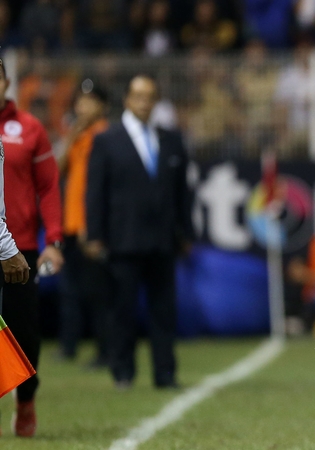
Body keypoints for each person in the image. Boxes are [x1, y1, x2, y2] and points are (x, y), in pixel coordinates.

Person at [85, 74, 193, 391]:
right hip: (123, 239)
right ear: (127, 100)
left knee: (164, 309)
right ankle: (122, 371)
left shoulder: (171, 139)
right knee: (122, 309)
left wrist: (186, 232)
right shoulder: (107, 140)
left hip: (162, 239)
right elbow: (96, 191)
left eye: (150, 97)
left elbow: (182, 192)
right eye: (139, 96)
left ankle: (165, 373)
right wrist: (95, 234)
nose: (145, 103)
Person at [0, 57, 63, 437]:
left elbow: (49, 187)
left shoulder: (29, 128)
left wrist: (53, 241)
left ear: (7, 82)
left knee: (24, 333)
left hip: (19, 248)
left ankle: (25, 399)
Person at [56, 80, 110, 367]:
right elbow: (57, 171)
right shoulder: (78, 134)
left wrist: (94, 226)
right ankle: (69, 346)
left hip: (92, 226)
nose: (82, 107)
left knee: (99, 292)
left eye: (89, 101)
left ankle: (105, 351)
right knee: (71, 290)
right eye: (79, 101)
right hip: (71, 223)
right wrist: (70, 138)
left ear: (102, 106)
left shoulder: (105, 135)